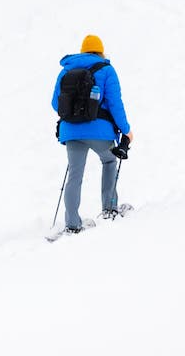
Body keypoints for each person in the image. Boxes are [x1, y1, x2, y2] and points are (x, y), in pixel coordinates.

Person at [51, 35, 132, 235]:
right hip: (100, 131)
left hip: (71, 131)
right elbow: (115, 104)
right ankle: (109, 209)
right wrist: (126, 130)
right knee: (109, 161)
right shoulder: (107, 70)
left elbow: (55, 103)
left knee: (75, 174)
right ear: (100, 51)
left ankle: (72, 224)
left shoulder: (66, 71)